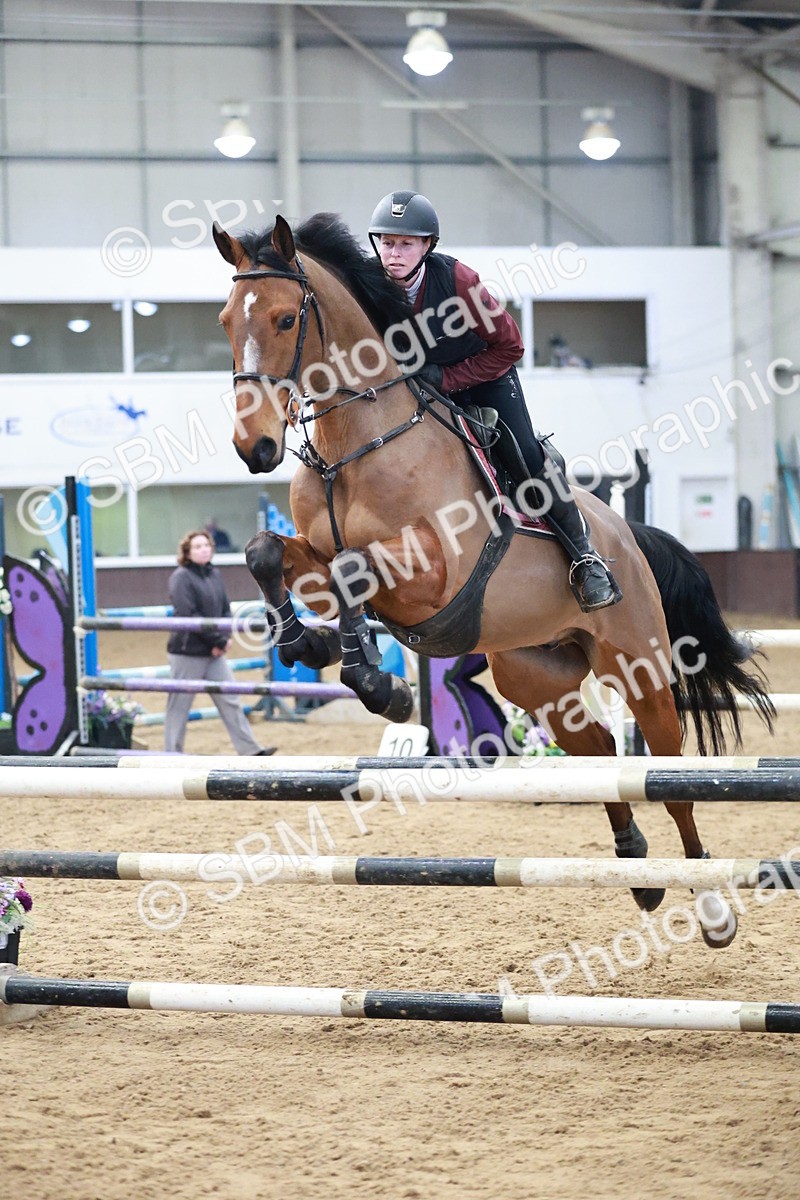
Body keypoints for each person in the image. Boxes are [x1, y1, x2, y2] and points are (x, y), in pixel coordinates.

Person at [367, 190, 620, 612]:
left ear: (428, 245)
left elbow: (510, 347)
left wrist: (448, 378)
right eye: (386, 243)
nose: (393, 254)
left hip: (485, 375)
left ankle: (585, 558)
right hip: (418, 385)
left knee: (522, 455)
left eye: (406, 244)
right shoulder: (368, 281)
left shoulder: (459, 282)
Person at [164, 530, 275, 755]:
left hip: (214, 652)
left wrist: (224, 638)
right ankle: (172, 754)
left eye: (206, 545)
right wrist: (217, 640)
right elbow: (188, 614)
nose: (203, 549)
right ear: (187, 552)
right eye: (197, 547)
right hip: (188, 653)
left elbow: (225, 608)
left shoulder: (214, 574)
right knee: (179, 706)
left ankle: (250, 750)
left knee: (230, 699)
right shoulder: (181, 577)